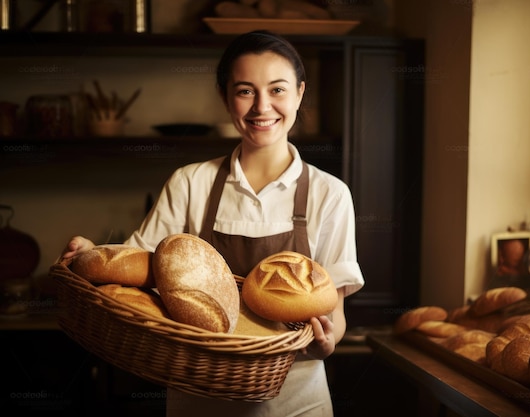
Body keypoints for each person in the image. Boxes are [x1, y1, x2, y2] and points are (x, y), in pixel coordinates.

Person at [60, 30, 365, 417]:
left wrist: (325, 343)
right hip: (200, 398)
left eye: (277, 90)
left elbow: (333, 316)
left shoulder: (330, 194)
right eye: (244, 91)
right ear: (224, 97)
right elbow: (135, 266)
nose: (262, 106)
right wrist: (91, 255)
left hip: (296, 399)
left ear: (300, 93)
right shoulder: (191, 182)